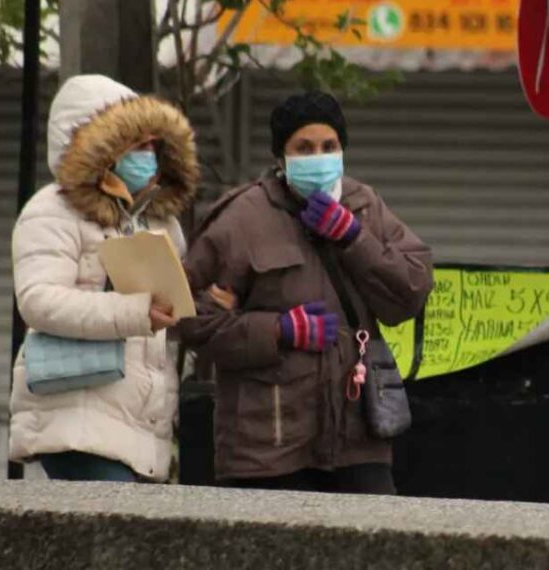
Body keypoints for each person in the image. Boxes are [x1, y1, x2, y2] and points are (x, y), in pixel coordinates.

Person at [179, 91, 432, 494]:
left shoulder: (365, 206)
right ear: (281, 156)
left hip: (358, 441)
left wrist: (354, 238)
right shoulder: (242, 218)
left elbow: (411, 292)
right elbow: (188, 316)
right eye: (304, 148)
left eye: (329, 146)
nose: (319, 157)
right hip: (267, 447)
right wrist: (277, 330)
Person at [9, 75, 198, 482]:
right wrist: (135, 312)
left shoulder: (158, 219)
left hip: (141, 428)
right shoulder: (52, 210)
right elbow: (38, 301)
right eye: (136, 145)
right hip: (78, 423)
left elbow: (173, 313)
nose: (149, 156)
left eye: (153, 145)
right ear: (100, 145)